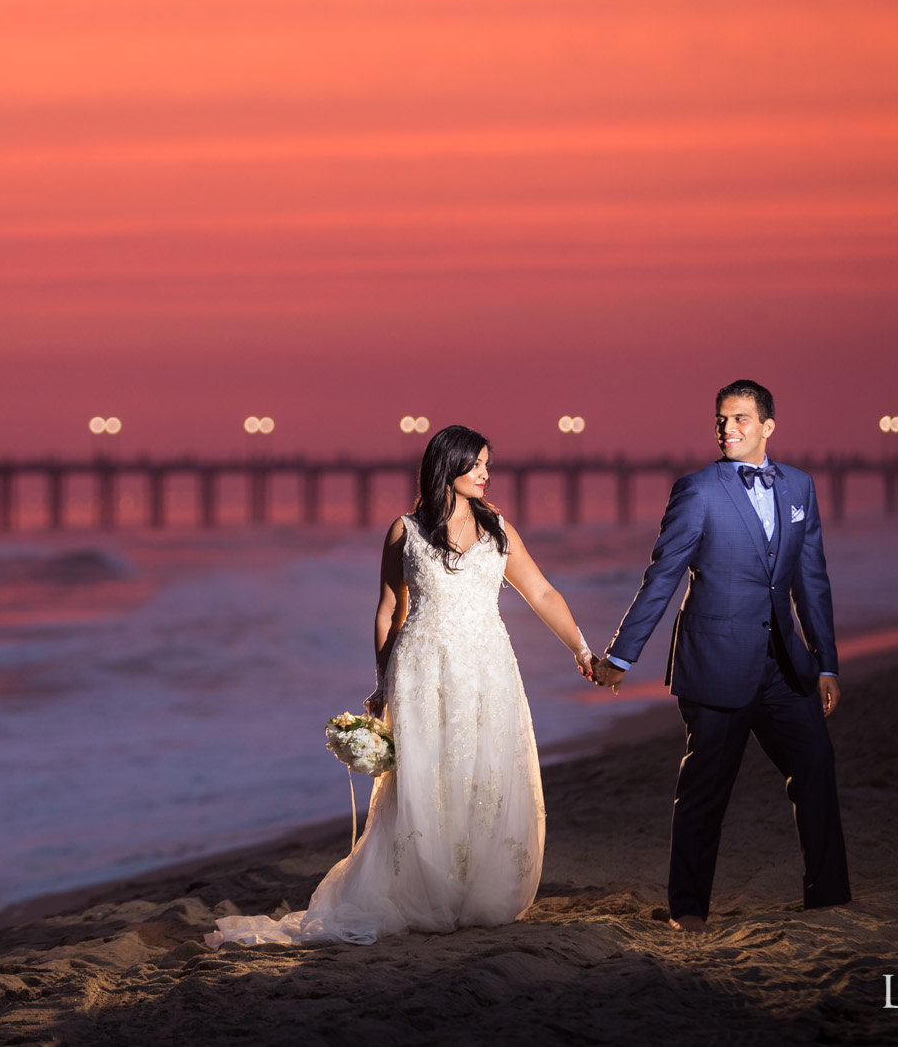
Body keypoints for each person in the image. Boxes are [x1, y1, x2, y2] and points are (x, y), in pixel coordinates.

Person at [210, 424, 595, 947]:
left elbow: (542, 592)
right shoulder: (405, 531)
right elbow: (390, 610)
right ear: (448, 465)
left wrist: (580, 647)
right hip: (421, 670)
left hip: (488, 668)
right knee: (425, 780)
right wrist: (382, 680)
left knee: (484, 773)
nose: (486, 473)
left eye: (487, 463)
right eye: (477, 463)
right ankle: (424, 890)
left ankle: (475, 890)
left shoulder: (499, 529)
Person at [590, 379, 850, 933]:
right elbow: (661, 575)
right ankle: (688, 909)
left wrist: (825, 661)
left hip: (785, 665)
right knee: (705, 790)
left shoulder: (800, 487)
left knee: (816, 769)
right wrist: (622, 655)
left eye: (739, 419)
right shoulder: (698, 489)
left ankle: (829, 900)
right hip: (715, 664)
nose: (727, 428)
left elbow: (812, 580)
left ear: (767, 427)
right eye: (720, 419)